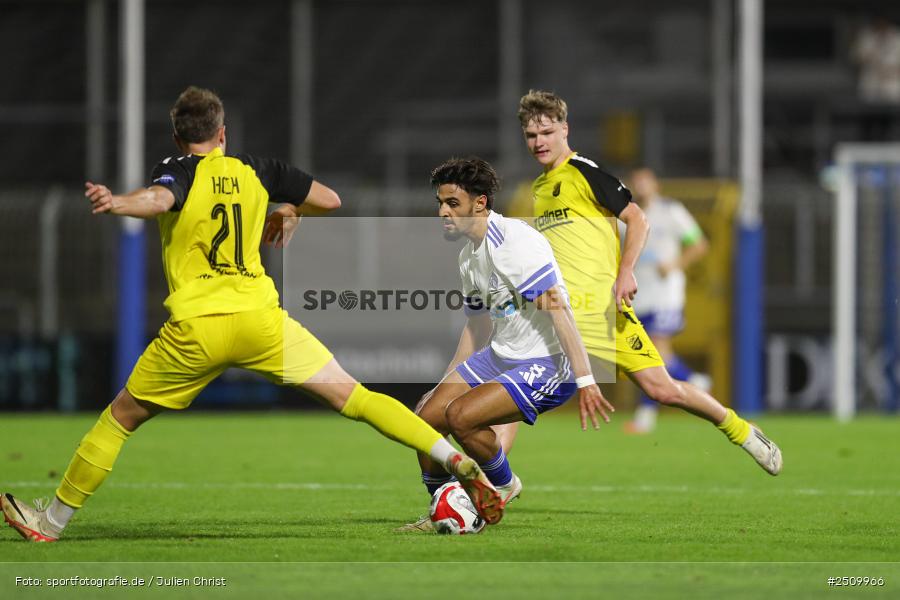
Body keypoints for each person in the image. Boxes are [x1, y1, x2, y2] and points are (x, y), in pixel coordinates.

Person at [0, 86, 501, 543]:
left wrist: (117, 202)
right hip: (261, 321)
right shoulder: (259, 170)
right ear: (222, 133)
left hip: (198, 328)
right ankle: (452, 457)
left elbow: (158, 200)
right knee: (359, 399)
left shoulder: (176, 169)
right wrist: (289, 210)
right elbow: (330, 198)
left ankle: (51, 523)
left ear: (179, 136)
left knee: (120, 419)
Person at [516, 89, 781, 474]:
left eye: (546, 132)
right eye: (531, 136)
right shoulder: (539, 189)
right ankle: (496, 482)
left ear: (565, 130)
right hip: (562, 317)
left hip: (605, 313)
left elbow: (637, 219)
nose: (539, 142)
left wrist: (625, 272)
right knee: (509, 394)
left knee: (662, 389)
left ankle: (741, 430)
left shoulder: (584, 172)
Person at [398, 157, 613, 532]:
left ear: (479, 203)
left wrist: (585, 379)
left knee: (460, 417)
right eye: (440, 203)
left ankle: (501, 484)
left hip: (547, 363)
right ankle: (443, 509)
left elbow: (558, 310)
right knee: (427, 419)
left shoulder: (513, 243)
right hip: (500, 356)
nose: (442, 212)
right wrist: (445, 381)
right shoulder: (469, 258)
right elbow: (478, 328)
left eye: (452, 203)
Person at [624, 167, 710, 434]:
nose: (641, 188)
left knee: (655, 350)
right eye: (636, 183)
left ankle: (645, 416)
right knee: (649, 353)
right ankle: (694, 380)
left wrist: (674, 264)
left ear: (655, 185)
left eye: (645, 183)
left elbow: (698, 244)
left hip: (665, 293)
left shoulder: (671, 211)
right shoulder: (626, 216)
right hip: (639, 294)